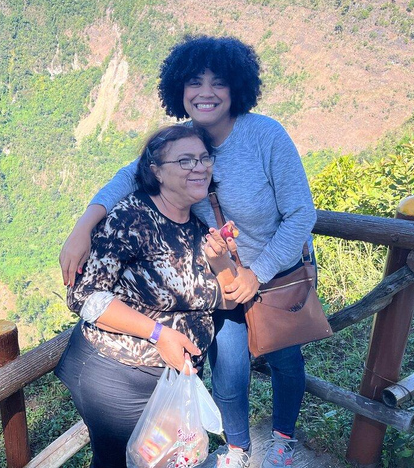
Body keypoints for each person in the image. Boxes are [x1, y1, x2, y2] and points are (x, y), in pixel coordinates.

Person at [59, 35, 317, 468]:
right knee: (228, 368)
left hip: (274, 275)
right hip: (217, 281)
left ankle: (282, 440)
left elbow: (300, 215)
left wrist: (262, 271)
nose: (206, 93)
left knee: (284, 359)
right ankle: (236, 448)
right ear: (179, 89)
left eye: (219, 82)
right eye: (195, 82)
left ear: (237, 87)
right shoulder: (184, 143)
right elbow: (128, 176)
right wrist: (84, 226)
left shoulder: (264, 136)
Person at [55, 125, 234, 468]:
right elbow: (85, 296)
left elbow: (226, 298)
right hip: (117, 375)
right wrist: (159, 333)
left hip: (169, 380)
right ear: (156, 171)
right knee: (118, 463)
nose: (199, 167)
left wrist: (222, 261)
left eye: (203, 158)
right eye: (184, 161)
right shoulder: (131, 218)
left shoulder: (197, 225)